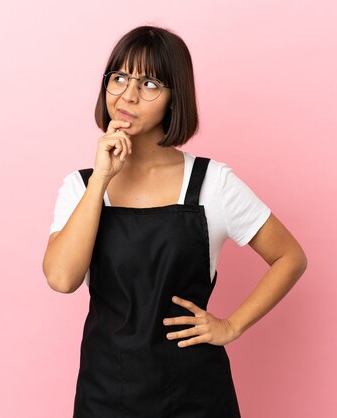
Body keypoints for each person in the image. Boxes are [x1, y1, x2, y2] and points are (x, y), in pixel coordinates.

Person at [43, 25, 307, 418]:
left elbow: (290, 257)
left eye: (149, 83)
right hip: (105, 395)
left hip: (195, 397)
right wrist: (101, 180)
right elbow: (62, 280)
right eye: (119, 78)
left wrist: (231, 326)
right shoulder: (80, 186)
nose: (128, 95)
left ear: (173, 98)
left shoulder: (212, 183)